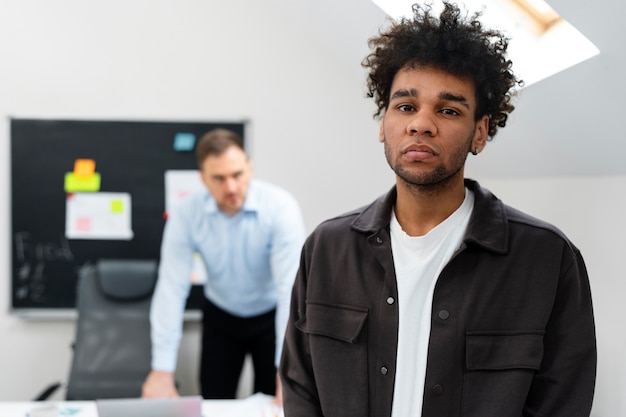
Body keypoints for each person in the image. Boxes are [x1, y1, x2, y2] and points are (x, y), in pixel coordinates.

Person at [279, 2, 597, 416]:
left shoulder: (546, 258)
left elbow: (562, 402)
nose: (421, 124)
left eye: (448, 110)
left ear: (479, 132)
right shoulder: (327, 248)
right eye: (406, 107)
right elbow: (300, 388)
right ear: (384, 124)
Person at [142, 128, 306, 401]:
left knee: (277, 402)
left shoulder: (280, 208)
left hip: (271, 316)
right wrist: (161, 368)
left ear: (249, 168)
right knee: (214, 401)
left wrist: (287, 365)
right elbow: (171, 289)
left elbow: (289, 289)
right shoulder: (186, 215)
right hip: (221, 317)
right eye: (218, 178)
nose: (230, 187)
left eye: (237, 175)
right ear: (202, 179)